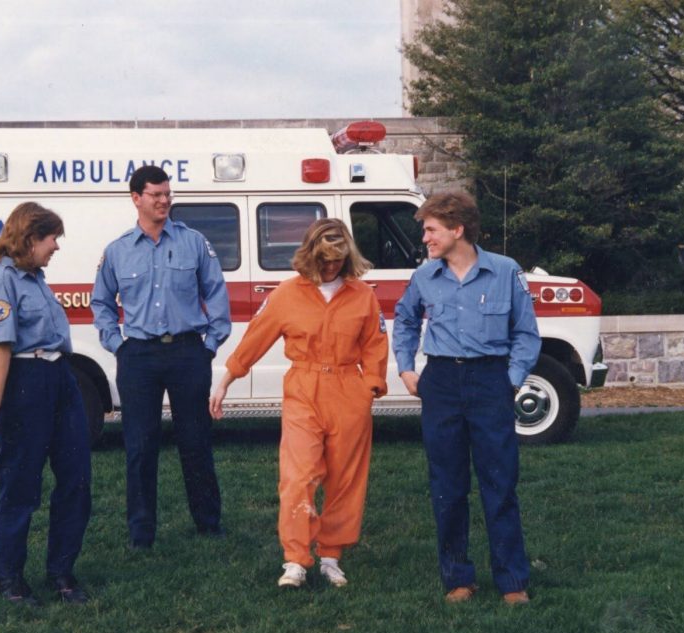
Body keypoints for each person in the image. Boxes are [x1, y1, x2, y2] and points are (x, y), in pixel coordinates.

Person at [209, 218, 388, 588]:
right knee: (297, 476)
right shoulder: (287, 294)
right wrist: (226, 380)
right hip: (303, 388)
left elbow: (374, 343)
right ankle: (296, 559)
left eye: (337, 261)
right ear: (310, 255)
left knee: (345, 480)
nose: (330, 267)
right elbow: (256, 338)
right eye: (323, 260)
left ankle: (331, 556)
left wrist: (371, 386)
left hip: (348, 391)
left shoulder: (362, 295)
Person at [393, 191, 540, 606]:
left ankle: (512, 581)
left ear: (458, 230)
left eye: (431, 229)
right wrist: (407, 369)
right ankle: (459, 577)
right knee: (447, 486)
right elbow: (403, 321)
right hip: (441, 383)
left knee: (500, 483)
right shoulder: (424, 276)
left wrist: (509, 380)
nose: (425, 238)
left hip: (491, 381)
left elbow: (526, 334)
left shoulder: (505, 271)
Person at [91, 165, 231, 549]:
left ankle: (208, 522)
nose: (164, 201)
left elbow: (216, 294)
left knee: (196, 440)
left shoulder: (193, 243)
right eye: (156, 195)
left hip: (188, 353)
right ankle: (141, 533)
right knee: (139, 445)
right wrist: (117, 344)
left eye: (168, 194)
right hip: (138, 357)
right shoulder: (117, 251)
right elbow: (101, 302)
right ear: (136, 198)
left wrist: (209, 346)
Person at [0, 201, 91, 606]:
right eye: (51, 237)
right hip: (26, 384)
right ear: (30, 238)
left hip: (61, 379)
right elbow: (2, 345)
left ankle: (62, 572)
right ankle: (10, 579)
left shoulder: (36, 278)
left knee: (76, 478)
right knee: (21, 485)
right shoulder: (3, 281)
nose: (56, 246)